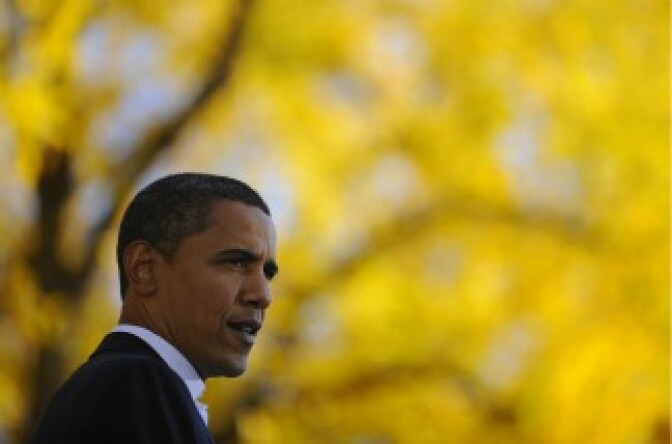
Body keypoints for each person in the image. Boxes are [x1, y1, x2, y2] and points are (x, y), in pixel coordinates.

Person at [30, 173, 279, 443]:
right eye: (236, 262)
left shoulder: (107, 388)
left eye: (267, 273)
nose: (263, 295)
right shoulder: (136, 386)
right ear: (144, 268)